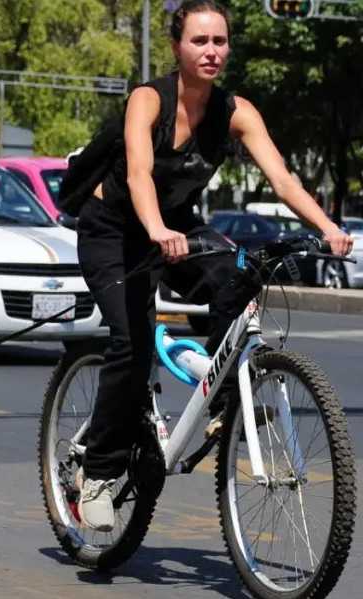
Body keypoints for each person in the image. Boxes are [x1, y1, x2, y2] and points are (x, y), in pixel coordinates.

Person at [75, 0, 353, 532]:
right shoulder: (148, 100)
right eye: (199, 41)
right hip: (114, 230)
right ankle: (99, 474)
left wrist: (327, 227)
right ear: (177, 47)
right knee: (131, 345)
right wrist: (155, 230)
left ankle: (225, 400)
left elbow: (284, 181)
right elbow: (137, 174)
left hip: (177, 226)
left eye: (220, 42)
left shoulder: (235, 111)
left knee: (238, 274)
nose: (211, 52)